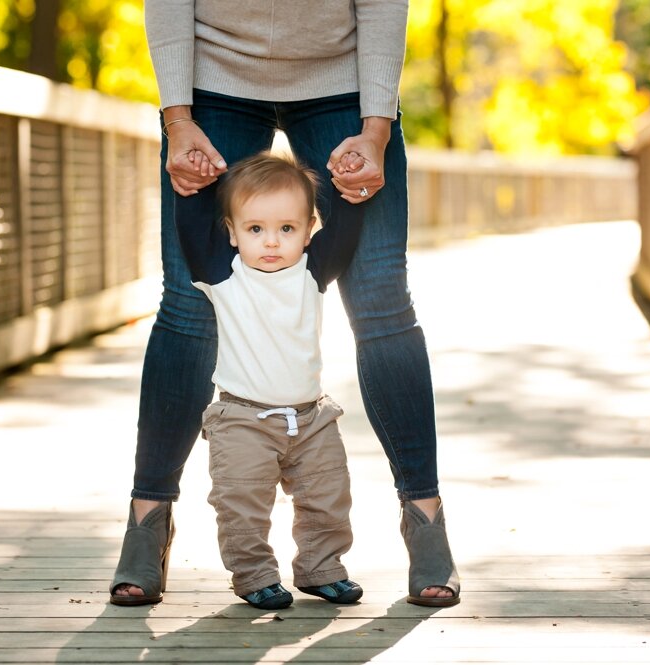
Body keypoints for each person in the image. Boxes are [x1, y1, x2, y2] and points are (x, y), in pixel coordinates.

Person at [110, 0, 461, 608]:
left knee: (381, 300)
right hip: (213, 81)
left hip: (343, 82)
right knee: (187, 305)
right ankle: (148, 518)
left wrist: (375, 129)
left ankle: (425, 517)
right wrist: (177, 119)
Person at [185, 151, 365, 609]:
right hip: (241, 419)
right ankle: (254, 575)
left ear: (308, 231)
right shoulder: (223, 275)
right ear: (232, 232)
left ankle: (322, 568)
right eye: (255, 229)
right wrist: (193, 188)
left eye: (287, 228)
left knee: (328, 499)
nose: (271, 242)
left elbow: (343, 231)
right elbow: (190, 226)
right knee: (241, 504)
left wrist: (350, 183)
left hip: (312, 419)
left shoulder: (312, 271)